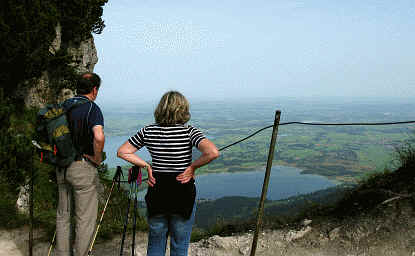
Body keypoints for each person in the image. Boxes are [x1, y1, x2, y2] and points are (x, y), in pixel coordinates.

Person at [117, 91, 219, 256]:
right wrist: (192, 168)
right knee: (180, 244)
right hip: (182, 191)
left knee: (156, 242)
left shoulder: (148, 131)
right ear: (183, 109)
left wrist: (147, 166)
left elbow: (123, 152)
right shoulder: (189, 132)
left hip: (157, 191)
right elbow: (212, 152)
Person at [55, 72, 105, 256]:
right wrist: (97, 159)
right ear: (94, 89)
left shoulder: (62, 107)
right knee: (84, 219)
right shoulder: (92, 108)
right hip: (82, 167)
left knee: (63, 216)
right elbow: (99, 137)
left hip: (61, 167)